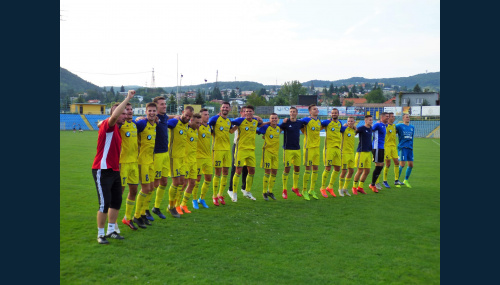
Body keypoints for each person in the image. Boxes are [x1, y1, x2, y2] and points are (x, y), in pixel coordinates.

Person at [91, 90, 134, 244]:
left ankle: (111, 230)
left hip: (115, 170)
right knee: (105, 203)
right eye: (122, 113)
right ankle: (100, 234)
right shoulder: (109, 125)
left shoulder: (117, 129)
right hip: (102, 170)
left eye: (126, 113)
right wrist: (128, 97)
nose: (125, 115)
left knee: (116, 201)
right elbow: (113, 117)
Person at [149, 96, 177, 220]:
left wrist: (177, 116)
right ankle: (144, 209)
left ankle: (156, 207)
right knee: (154, 184)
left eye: (165, 104)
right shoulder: (152, 119)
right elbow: (141, 120)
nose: (164, 106)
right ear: (156, 107)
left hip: (166, 153)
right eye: (161, 104)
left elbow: (169, 117)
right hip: (156, 154)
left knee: (164, 182)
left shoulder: (164, 117)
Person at [132, 102, 158, 228]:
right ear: (145, 112)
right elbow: (130, 125)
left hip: (151, 160)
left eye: (154, 111)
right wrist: (135, 119)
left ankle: (142, 214)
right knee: (145, 189)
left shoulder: (154, 124)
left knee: (151, 187)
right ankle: (136, 216)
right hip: (142, 161)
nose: (152, 113)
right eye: (150, 111)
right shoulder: (141, 123)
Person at [229, 105, 263, 200]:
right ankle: (234, 192)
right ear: (243, 112)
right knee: (237, 170)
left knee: (251, 171)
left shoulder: (254, 121)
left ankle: (247, 191)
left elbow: (260, 124)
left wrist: (265, 121)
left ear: (253, 112)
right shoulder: (239, 120)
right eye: (246, 111)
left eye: (250, 111)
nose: (248, 113)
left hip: (251, 150)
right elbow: (230, 123)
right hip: (239, 148)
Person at [166, 106, 193, 215]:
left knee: (182, 182)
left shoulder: (187, 124)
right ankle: (171, 206)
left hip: (182, 157)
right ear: (182, 112)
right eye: (186, 115)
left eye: (189, 116)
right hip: (173, 157)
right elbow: (163, 121)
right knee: (176, 182)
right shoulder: (174, 122)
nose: (187, 118)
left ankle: (176, 205)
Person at [119, 103, 140, 231]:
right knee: (119, 193)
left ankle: (127, 217)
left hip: (134, 163)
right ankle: (113, 222)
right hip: (123, 163)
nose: (130, 111)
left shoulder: (135, 125)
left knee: (133, 191)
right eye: (127, 109)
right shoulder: (120, 125)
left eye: (131, 109)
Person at [208, 102, 232, 206]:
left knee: (225, 172)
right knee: (217, 173)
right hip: (217, 149)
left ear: (229, 109)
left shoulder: (228, 121)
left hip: (227, 149)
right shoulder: (214, 119)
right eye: (223, 107)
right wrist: (212, 133)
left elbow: (231, 131)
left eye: (227, 107)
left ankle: (220, 194)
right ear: (220, 108)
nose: (225, 109)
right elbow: (207, 127)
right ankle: (214, 196)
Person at [279, 107, 306, 199]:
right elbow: (277, 130)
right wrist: (283, 122)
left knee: (297, 169)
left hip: (297, 149)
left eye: (294, 112)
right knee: (287, 169)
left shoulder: (299, 123)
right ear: (289, 113)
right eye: (291, 112)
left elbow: (306, 126)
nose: (292, 113)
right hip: (287, 149)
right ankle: (284, 190)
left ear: (297, 113)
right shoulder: (286, 123)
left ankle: (295, 188)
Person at [178, 113, 203, 213]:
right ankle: (175, 205)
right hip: (185, 161)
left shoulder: (196, 130)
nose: (199, 125)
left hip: (194, 161)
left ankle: (183, 204)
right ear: (190, 121)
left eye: (200, 123)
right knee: (183, 184)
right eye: (197, 123)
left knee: (192, 183)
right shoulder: (186, 128)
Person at [319, 108, 345, 198]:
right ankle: (322, 187)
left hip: (338, 148)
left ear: (338, 114)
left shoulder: (340, 123)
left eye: (335, 113)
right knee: (328, 168)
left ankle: (330, 187)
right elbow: (318, 127)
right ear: (331, 114)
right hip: (329, 148)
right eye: (333, 113)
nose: (334, 114)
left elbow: (342, 130)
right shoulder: (327, 122)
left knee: (338, 168)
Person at [299, 104, 322, 200]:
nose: (316, 110)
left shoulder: (319, 121)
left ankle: (311, 190)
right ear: (310, 111)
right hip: (308, 147)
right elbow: (297, 123)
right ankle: (304, 190)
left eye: (317, 108)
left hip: (317, 148)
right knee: (308, 169)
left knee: (315, 169)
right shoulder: (306, 120)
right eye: (314, 109)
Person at [227, 106, 249, 202]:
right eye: (244, 111)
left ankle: (244, 188)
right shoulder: (238, 121)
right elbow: (231, 130)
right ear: (241, 112)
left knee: (246, 168)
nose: (246, 113)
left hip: (247, 148)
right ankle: (230, 189)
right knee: (235, 168)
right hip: (237, 146)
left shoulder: (250, 121)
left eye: (247, 111)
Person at [257, 113, 281, 201]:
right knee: (267, 171)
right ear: (269, 119)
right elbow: (257, 130)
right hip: (267, 152)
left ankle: (270, 191)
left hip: (276, 153)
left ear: (278, 119)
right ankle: (264, 192)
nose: (274, 119)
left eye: (275, 118)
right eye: (272, 118)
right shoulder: (266, 127)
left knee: (274, 172)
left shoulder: (279, 127)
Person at [193, 108, 212, 209]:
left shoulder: (209, 126)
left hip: (208, 157)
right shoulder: (197, 127)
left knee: (208, 178)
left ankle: (202, 198)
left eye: (208, 114)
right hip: (198, 157)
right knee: (197, 179)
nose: (207, 116)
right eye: (205, 114)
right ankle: (194, 199)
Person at [381, 112, 405, 188]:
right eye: (391, 116)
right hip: (387, 147)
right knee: (388, 163)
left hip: (394, 147)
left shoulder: (394, 126)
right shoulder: (385, 126)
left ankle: (396, 180)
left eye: (393, 116)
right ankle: (384, 181)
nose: (393, 118)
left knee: (397, 162)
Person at [352, 115, 374, 195]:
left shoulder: (371, 128)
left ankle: (360, 187)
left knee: (367, 171)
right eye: (370, 120)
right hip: (361, 152)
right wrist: (353, 128)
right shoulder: (361, 128)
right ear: (365, 120)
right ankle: (354, 187)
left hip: (368, 152)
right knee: (360, 170)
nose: (371, 121)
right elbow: (354, 133)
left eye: (372, 120)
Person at [368, 112, 389, 193]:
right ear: (382, 117)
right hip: (376, 147)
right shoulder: (377, 125)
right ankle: (373, 184)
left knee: (381, 165)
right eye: (386, 116)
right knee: (378, 166)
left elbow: (386, 124)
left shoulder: (384, 125)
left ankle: (374, 184)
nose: (388, 118)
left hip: (381, 148)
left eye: (388, 116)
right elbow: (370, 129)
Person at [337, 117, 357, 196]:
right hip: (344, 153)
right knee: (344, 171)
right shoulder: (344, 129)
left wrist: (355, 128)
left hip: (351, 153)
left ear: (354, 122)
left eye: (351, 121)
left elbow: (356, 131)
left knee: (351, 171)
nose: (350, 122)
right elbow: (338, 128)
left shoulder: (353, 130)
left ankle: (345, 188)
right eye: (348, 121)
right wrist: (343, 126)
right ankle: (340, 188)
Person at [396, 113, 415, 188]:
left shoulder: (412, 127)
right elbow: (391, 127)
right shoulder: (399, 126)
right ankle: (396, 180)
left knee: (411, 165)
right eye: (406, 117)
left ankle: (406, 180)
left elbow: (412, 138)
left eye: (409, 117)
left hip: (410, 148)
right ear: (403, 118)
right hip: (403, 147)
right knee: (402, 164)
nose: (408, 118)